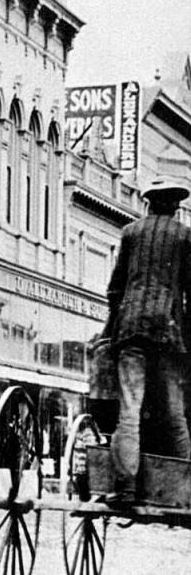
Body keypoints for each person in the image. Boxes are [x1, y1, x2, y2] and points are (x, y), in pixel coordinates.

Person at [105, 177, 191, 506]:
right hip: (168, 333)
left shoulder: (130, 233)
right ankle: (185, 493)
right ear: (175, 205)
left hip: (130, 330)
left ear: (149, 202)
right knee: (174, 415)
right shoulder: (185, 236)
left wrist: (113, 328)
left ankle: (125, 488)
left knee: (129, 411)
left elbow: (115, 288)